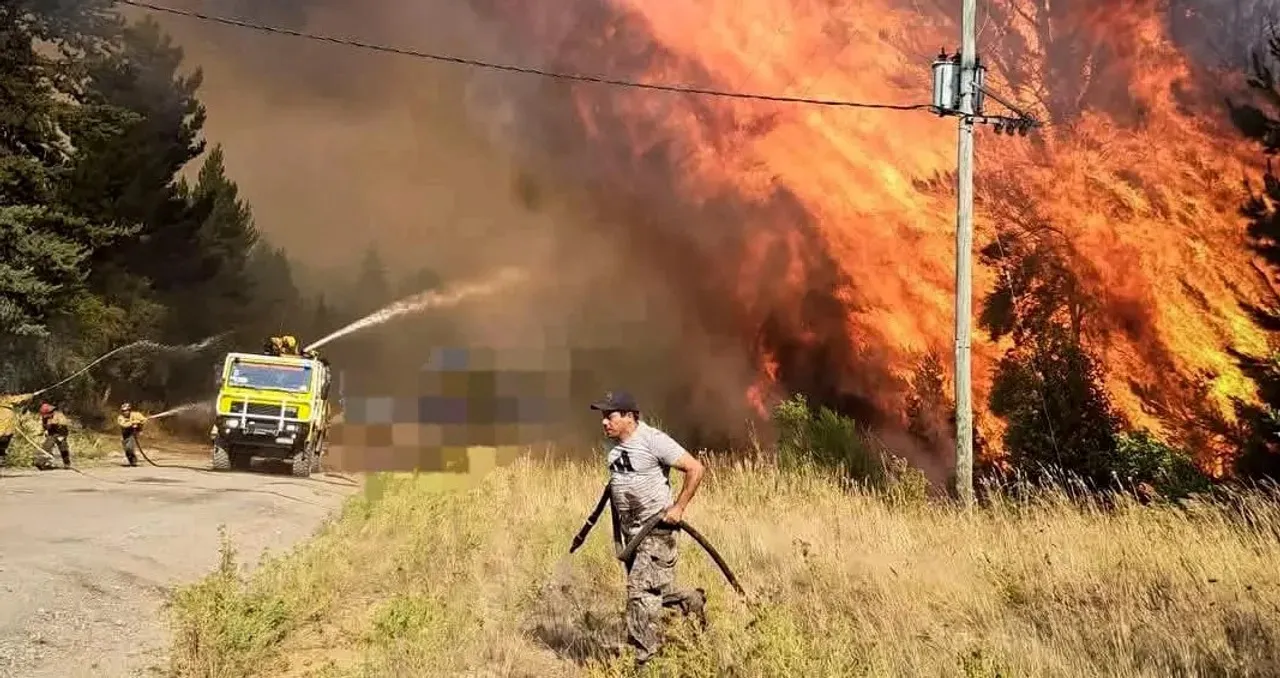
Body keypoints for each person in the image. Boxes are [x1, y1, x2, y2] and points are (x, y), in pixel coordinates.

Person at [590, 390, 707, 666]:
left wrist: (678, 508)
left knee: (639, 592)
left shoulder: (653, 440)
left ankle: (646, 662)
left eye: (610, 416)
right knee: (653, 593)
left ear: (630, 417)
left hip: (657, 532)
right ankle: (691, 601)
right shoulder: (613, 448)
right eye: (603, 416)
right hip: (632, 535)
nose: (604, 421)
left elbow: (696, 468)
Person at [0, 393, 34, 468]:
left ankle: (2, 456)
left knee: (5, 439)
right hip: (4, 426)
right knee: (4, 438)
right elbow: (18, 399)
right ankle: (1, 455)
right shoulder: (5, 399)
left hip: (6, 425)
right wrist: (29, 395)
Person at [37, 402, 71, 469]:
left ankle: (67, 463)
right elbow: (44, 426)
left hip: (61, 433)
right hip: (51, 434)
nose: (45, 416)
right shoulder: (44, 417)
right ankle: (42, 462)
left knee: (63, 448)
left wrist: (54, 422)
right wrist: (44, 429)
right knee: (46, 447)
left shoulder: (59, 415)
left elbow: (65, 424)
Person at [116, 402, 147, 467]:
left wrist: (141, 422)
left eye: (127, 410)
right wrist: (133, 422)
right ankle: (131, 461)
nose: (125, 412)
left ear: (130, 410)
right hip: (125, 434)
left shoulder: (136, 414)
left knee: (130, 447)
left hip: (133, 433)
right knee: (127, 450)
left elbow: (143, 420)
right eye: (123, 411)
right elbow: (124, 425)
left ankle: (134, 461)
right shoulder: (120, 418)